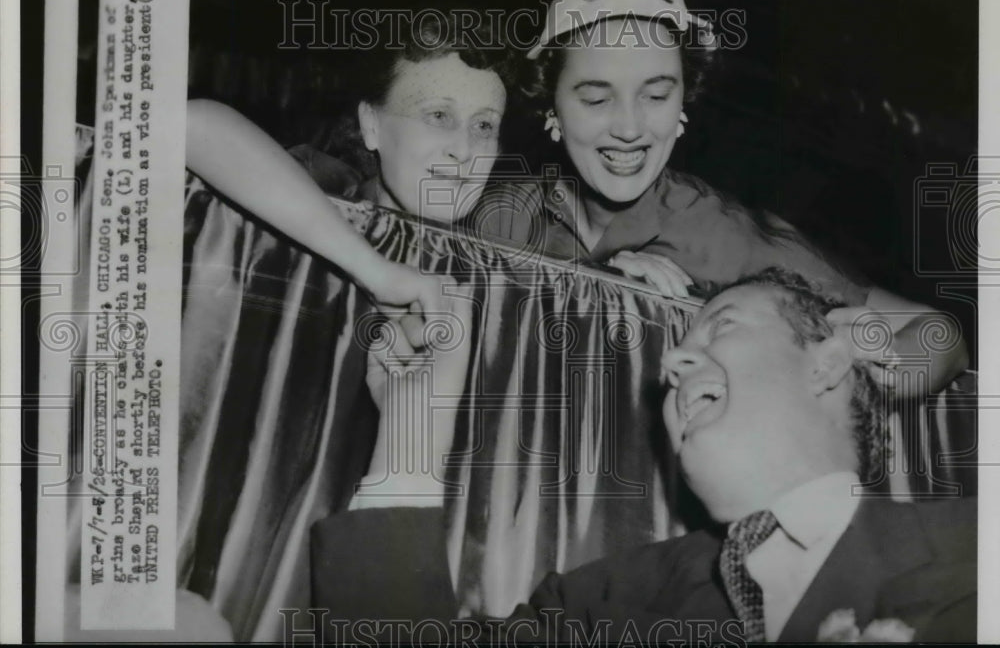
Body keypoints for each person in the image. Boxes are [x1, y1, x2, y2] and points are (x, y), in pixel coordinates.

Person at [310, 267, 975, 644]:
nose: (675, 361)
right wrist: (409, 433)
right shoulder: (607, 604)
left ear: (829, 362)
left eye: (725, 325)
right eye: (679, 349)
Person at [471, 0, 966, 394]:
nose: (628, 127)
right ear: (550, 104)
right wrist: (598, 290)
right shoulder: (491, 212)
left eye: (657, 95)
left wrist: (863, 367)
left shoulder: (719, 231)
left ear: (684, 99)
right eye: (596, 99)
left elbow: (938, 334)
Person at [185, 9, 514, 348]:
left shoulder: (495, 278)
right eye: (439, 115)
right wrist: (374, 270)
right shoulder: (319, 192)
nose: (463, 149)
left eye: (484, 125)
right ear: (371, 124)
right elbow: (191, 125)